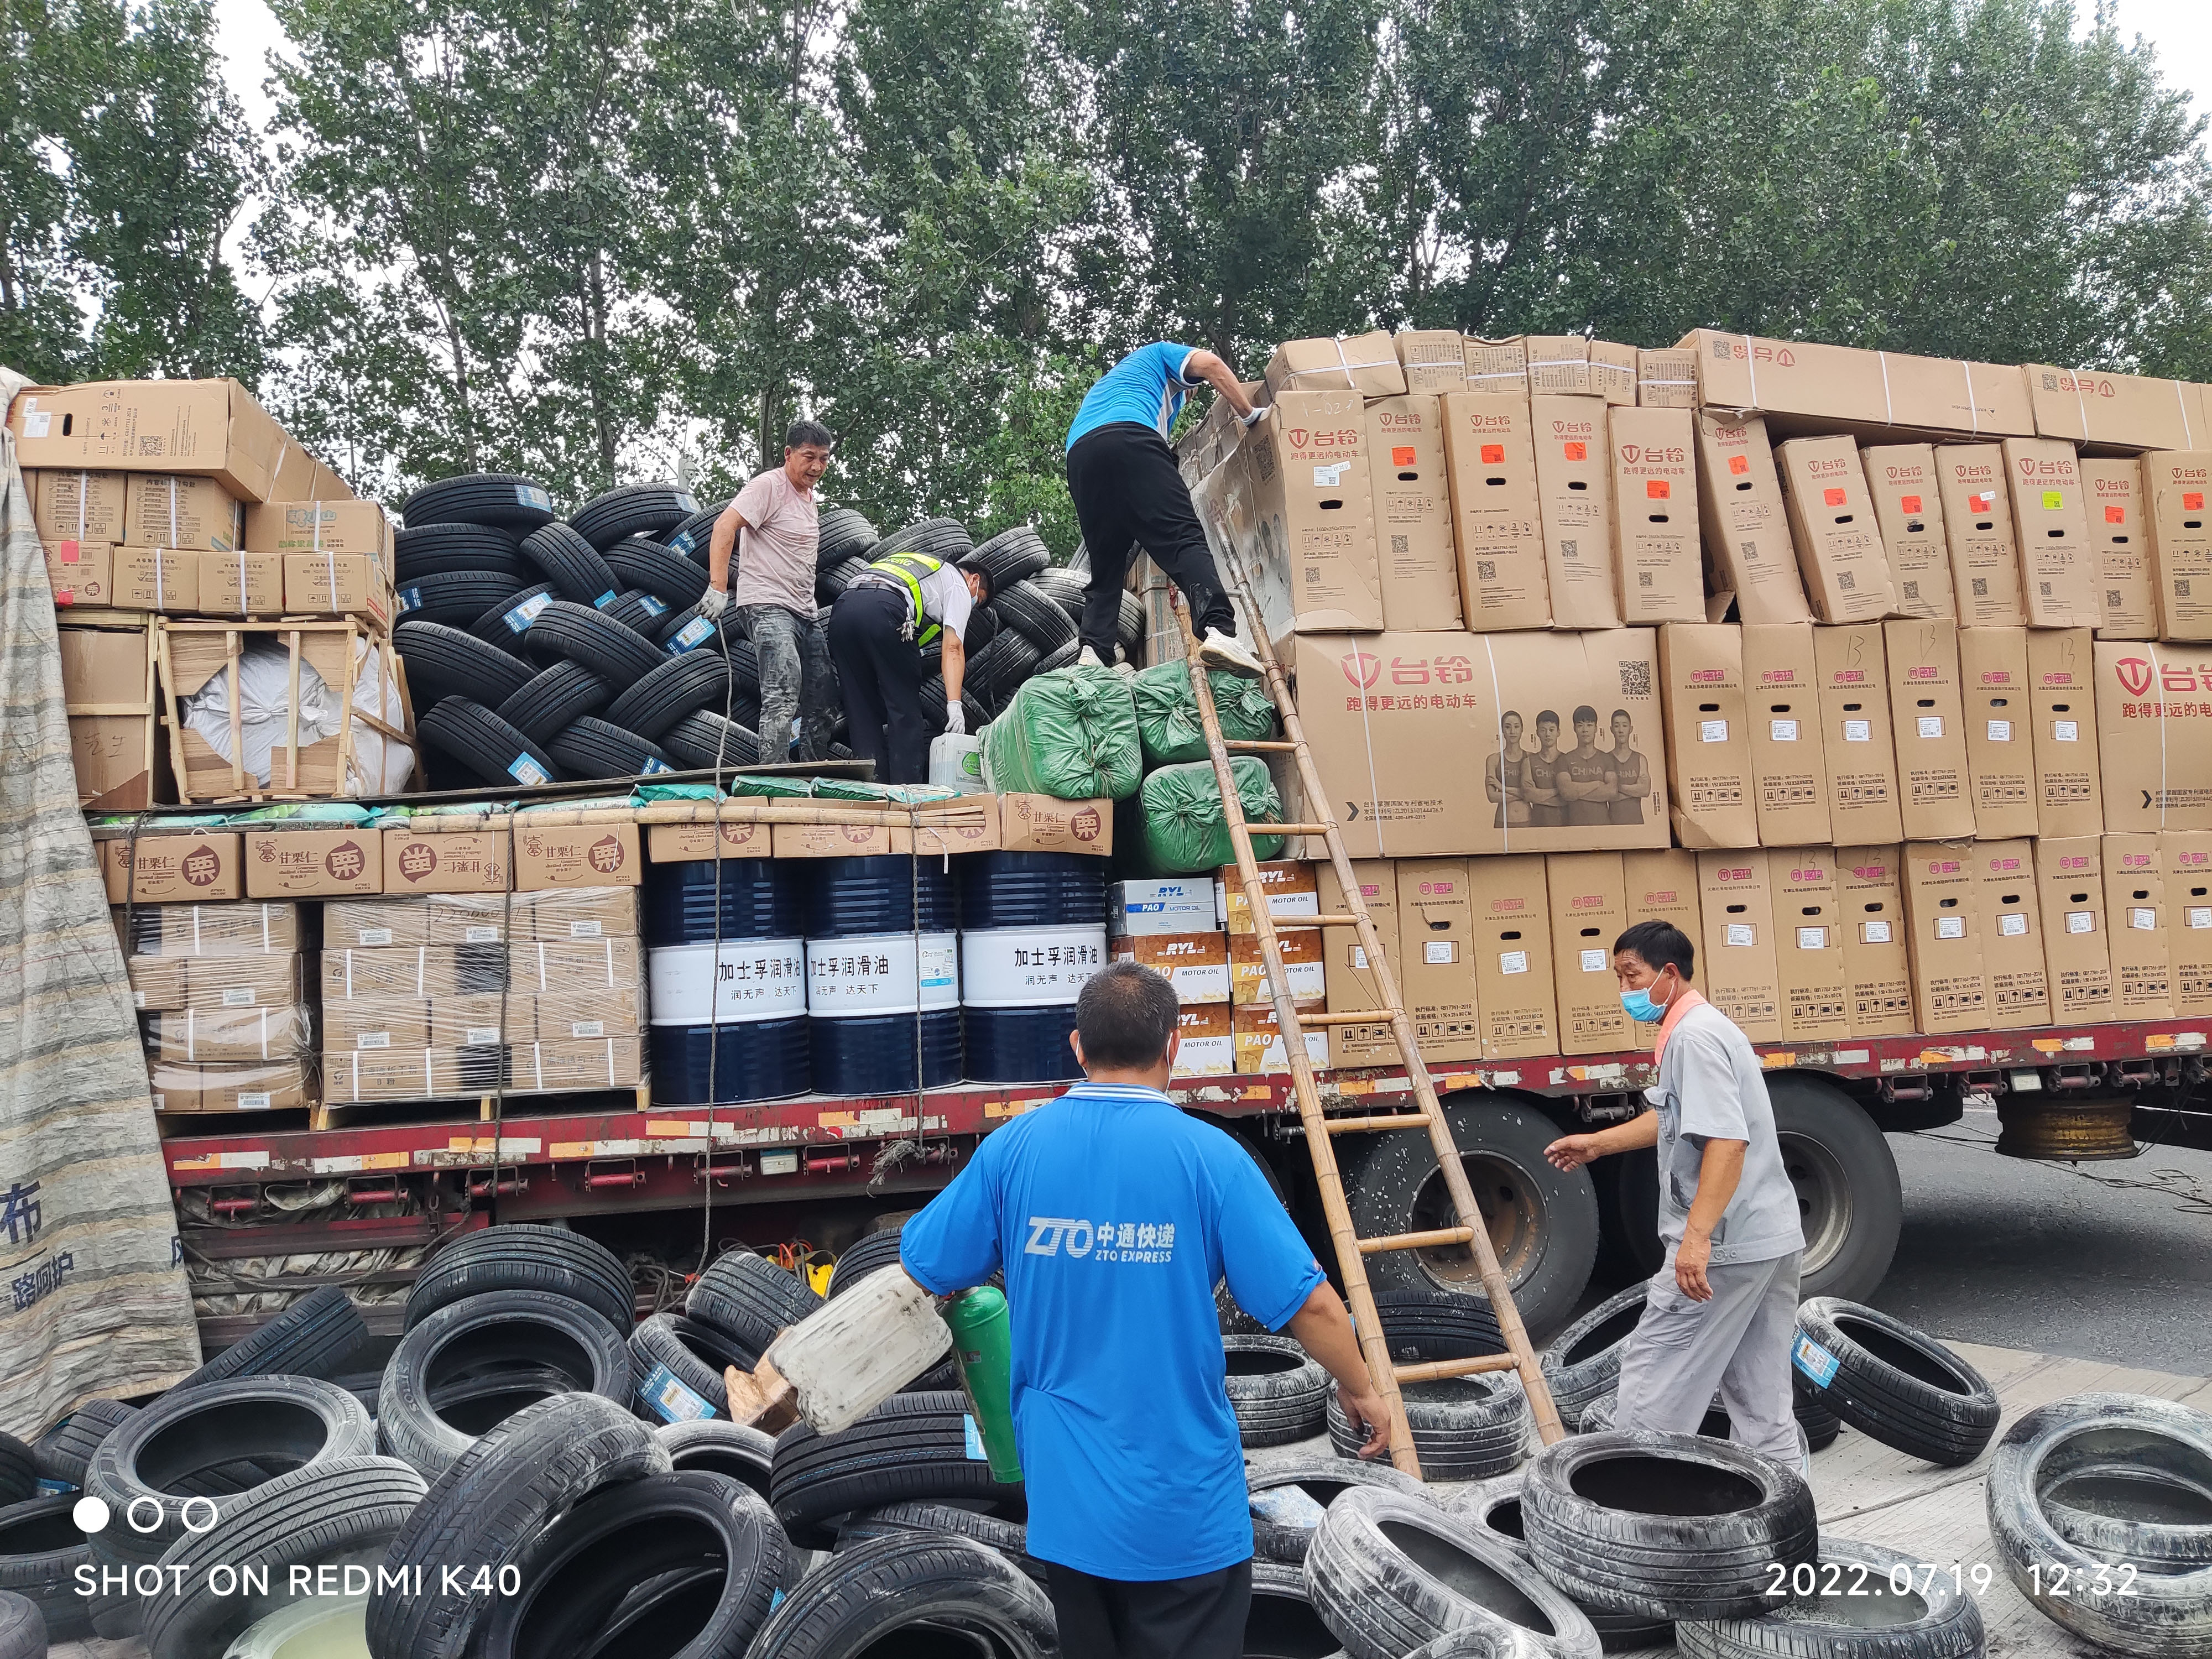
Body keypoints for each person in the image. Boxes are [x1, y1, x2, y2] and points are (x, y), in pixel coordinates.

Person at [899, 961, 1391, 1659]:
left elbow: (926, 1263)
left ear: (1078, 1047)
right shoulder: (1210, 1157)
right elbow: (1308, 1305)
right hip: (1180, 1508)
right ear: (1173, 1047)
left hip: (1067, 1507)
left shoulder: (1013, 1149)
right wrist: (1361, 1386)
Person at [1541, 921, 1808, 1468]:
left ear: (1668, 973)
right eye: (1618, 978)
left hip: (1726, 1249)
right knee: (1762, 1402)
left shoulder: (1692, 1039)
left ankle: (1637, 1500)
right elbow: (1678, 1118)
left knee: (1652, 1393)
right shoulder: (1706, 1027)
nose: (1624, 990)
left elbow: (1727, 1142)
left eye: (1632, 976)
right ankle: (1790, 1504)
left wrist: (1697, 1240)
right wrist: (1598, 1144)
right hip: (1769, 1237)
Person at [1065, 342, 1266, 678]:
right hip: (1129, 437)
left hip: (1081, 456)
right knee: (1182, 538)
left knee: (1107, 563)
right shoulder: (1159, 354)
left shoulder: (1115, 386)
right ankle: (1220, 630)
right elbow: (1211, 365)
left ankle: (1092, 653)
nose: (1188, 395)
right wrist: (1249, 414)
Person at [701, 420, 837, 763]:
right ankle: (773, 776)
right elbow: (725, 525)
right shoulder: (769, 486)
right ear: (789, 454)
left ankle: (811, 773)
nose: (817, 467)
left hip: (805, 611)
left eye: (824, 459)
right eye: (809, 457)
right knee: (783, 689)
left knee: (823, 697)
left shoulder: (809, 500)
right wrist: (718, 586)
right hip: (767, 604)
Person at [827, 542, 991, 785]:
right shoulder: (958, 582)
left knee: (860, 707)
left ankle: (872, 788)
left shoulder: (917, 562)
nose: (973, 604)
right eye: (978, 600)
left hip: (842, 611)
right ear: (974, 580)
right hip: (886, 609)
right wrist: (955, 704)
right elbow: (953, 647)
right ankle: (907, 791)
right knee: (903, 707)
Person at [1557, 705, 1620, 827]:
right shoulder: (1564, 760)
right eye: (1580, 725)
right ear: (1575, 728)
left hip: (1603, 826)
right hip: (1574, 827)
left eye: (1589, 725)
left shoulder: (1607, 759)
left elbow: (1612, 792)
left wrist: (1576, 791)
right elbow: (1566, 793)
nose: (1585, 730)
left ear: (1596, 729)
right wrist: (1597, 785)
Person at [1522, 710, 1566, 826]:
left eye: (1551, 730)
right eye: (1543, 730)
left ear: (1559, 732)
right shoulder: (1529, 762)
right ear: (1537, 733)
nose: (1547, 734)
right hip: (1538, 823)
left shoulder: (1567, 760)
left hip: (1565, 823)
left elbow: (1569, 796)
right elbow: (1528, 795)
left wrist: (1539, 795)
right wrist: (1559, 792)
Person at [1609, 709, 1652, 825]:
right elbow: (1605, 793)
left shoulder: (1640, 759)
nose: (1621, 730)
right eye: (1617, 726)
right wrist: (1634, 791)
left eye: (1625, 726)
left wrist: (1617, 787)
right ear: (1611, 729)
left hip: (1637, 822)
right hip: (1612, 824)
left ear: (1631, 729)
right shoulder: (1606, 759)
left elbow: (1645, 790)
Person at [1487, 710, 1528, 829]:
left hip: (1527, 819)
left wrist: (1502, 788)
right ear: (1502, 730)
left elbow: (1534, 794)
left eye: (1516, 727)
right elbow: (1492, 797)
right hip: (1503, 820)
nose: (1512, 731)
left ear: (1522, 729)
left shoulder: (1530, 758)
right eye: (1508, 727)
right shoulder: (1493, 760)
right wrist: (1524, 795)